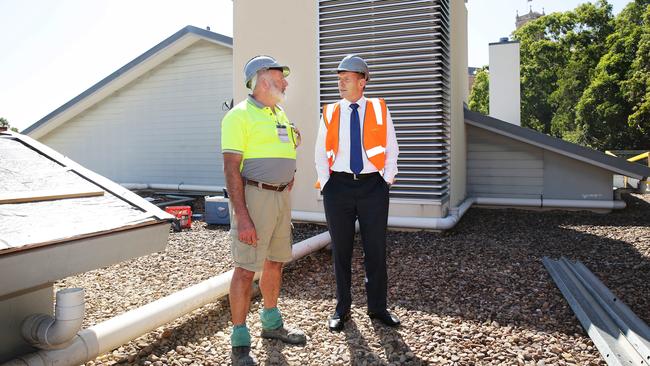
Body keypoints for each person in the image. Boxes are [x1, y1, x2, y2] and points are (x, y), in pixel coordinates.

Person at [221, 55, 305, 366]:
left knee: (276, 262)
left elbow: (286, 146)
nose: (285, 82)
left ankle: (271, 325)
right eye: (280, 77)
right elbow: (231, 169)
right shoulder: (238, 116)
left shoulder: (279, 113)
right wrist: (242, 215)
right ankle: (240, 340)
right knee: (245, 270)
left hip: (281, 198)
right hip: (254, 198)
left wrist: (290, 174)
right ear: (263, 79)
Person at [314, 55, 400, 332]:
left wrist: (385, 181)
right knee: (341, 251)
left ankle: (377, 308)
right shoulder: (329, 111)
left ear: (362, 82)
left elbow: (391, 146)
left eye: (347, 79)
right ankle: (342, 309)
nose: (341, 83)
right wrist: (327, 184)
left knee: (375, 249)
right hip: (337, 188)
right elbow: (319, 152)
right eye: (339, 79)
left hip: (373, 187)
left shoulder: (379, 108)